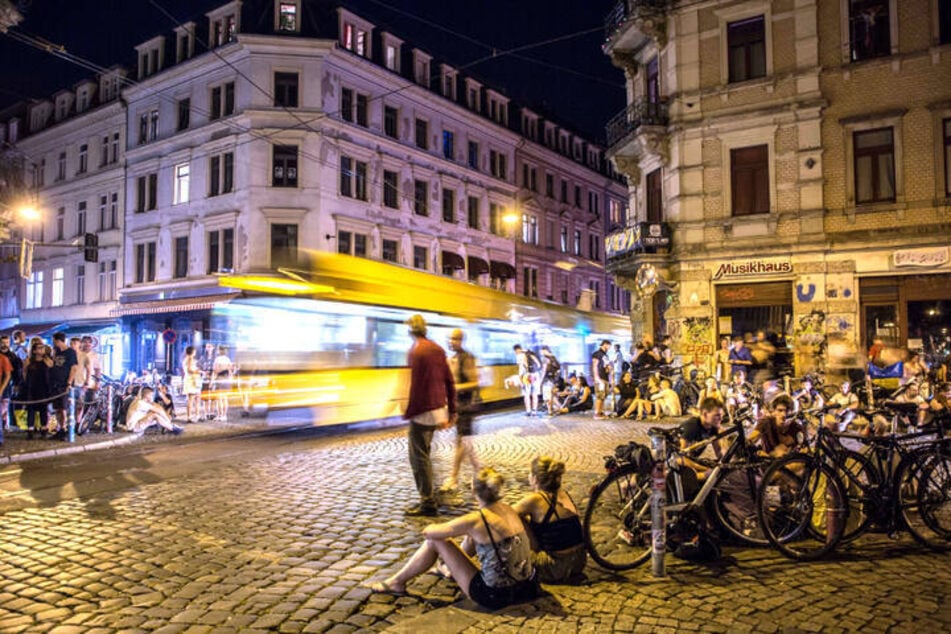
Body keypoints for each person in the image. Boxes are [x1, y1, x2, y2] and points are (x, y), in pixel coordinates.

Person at [366, 467, 538, 610]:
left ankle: (397, 582)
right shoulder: (509, 509)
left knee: (436, 541)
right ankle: (448, 570)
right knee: (474, 535)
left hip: (496, 595)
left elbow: (430, 533)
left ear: (473, 491)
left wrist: (433, 527)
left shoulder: (477, 519)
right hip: (527, 588)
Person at [404, 314, 457, 517]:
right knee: (424, 453)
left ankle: (427, 501)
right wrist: (452, 410)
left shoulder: (416, 351)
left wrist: (410, 411)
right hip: (438, 409)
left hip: (422, 411)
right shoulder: (438, 349)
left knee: (418, 457)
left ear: (411, 330)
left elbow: (417, 387)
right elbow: (449, 381)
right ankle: (430, 495)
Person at [512, 456, 586, 584]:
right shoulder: (563, 493)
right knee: (531, 518)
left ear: (535, 478)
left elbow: (506, 514)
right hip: (579, 562)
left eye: (530, 473)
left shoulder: (536, 499)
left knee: (517, 520)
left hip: (555, 567)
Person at [442, 329, 480, 493]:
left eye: (456, 339)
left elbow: (474, 383)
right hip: (457, 406)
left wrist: (454, 388)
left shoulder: (467, 358)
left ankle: (454, 477)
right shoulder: (452, 358)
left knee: (462, 442)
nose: (452, 341)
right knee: (465, 443)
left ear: (462, 340)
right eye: (451, 338)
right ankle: (480, 473)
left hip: (466, 406)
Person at [678, 397, 726, 481]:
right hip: (676, 465)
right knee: (710, 475)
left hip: (692, 461)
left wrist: (723, 437)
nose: (721, 419)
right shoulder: (691, 427)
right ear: (705, 414)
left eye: (722, 415)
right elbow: (679, 458)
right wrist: (704, 469)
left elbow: (720, 453)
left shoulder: (712, 427)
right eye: (717, 415)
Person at [748, 394, 801, 458]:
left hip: (791, 463)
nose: (783, 414)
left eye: (786, 411)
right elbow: (751, 440)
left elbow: (803, 449)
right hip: (770, 463)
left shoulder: (795, 426)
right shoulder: (766, 422)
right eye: (780, 410)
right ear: (773, 411)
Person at [49, 332, 79, 440]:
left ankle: (66, 429)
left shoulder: (70, 352)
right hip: (55, 384)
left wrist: (69, 383)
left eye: (54, 341)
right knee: (57, 408)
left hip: (64, 384)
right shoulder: (56, 351)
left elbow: (74, 368)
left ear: (58, 341)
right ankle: (60, 428)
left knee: (64, 407)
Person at [23, 342, 53, 439]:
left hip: (43, 387)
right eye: (39, 348)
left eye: (42, 348)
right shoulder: (29, 360)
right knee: (30, 409)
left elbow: (51, 367)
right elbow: (24, 372)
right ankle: (30, 429)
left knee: (43, 409)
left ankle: (44, 428)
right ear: (34, 350)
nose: (41, 350)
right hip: (31, 387)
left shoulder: (47, 360)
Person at [513, 344, 541, 416]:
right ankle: (534, 411)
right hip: (536, 375)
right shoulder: (531, 353)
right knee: (535, 394)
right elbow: (539, 365)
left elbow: (521, 368)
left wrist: (520, 379)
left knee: (526, 394)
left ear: (516, 350)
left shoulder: (519, 356)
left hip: (527, 376)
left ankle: (528, 411)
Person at [590, 339, 612, 420]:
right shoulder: (597, 354)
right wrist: (597, 377)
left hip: (605, 377)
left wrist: (608, 369)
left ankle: (600, 411)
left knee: (603, 395)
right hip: (600, 378)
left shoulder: (605, 355)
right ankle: (597, 413)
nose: (609, 347)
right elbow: (595, 366)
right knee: (600, 395)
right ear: (605, 344)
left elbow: (606, 365)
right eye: (609, 345)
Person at [211, 345, 234, 420]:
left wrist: (212, 381)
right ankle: (224, 415)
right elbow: (231, 371)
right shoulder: (228, 359)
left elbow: (215, 371)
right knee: (225, 398)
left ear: (220, 351)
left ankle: (220, 415)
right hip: (226, 380)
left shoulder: (217, 359)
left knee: (219, 398)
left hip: (220, 379)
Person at [181, 346, 203, 423]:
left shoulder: (185, 359)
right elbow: (190, 370)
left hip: (190, 380)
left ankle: (192, 416)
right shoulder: (190, 359)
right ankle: (192, 416)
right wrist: (199, 372)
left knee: (192, 399)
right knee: (194, 399)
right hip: (193, 380)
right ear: (192, 352)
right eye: (194, 351)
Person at [540, 346, 562, 416]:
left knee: (547, 396)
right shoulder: (554, 358)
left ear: (545, 350)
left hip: (547, 380)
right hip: (554, 380)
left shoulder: (545, 359)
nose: (541, 352)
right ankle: (560, 408)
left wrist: (540, 381)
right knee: (553, 395)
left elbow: (544, 370)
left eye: (542, 351)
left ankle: (550, 411)